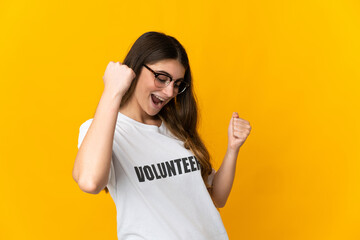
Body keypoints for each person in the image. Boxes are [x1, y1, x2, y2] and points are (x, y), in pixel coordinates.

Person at [72, 31, 251, 239]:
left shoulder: (175, 128)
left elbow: (216, 198)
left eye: (177, 84)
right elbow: (89, 181)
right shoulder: (105, 129)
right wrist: (112, 90)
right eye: (162, 78)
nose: (169, 92)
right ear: (135, 69)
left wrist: (232, 149)